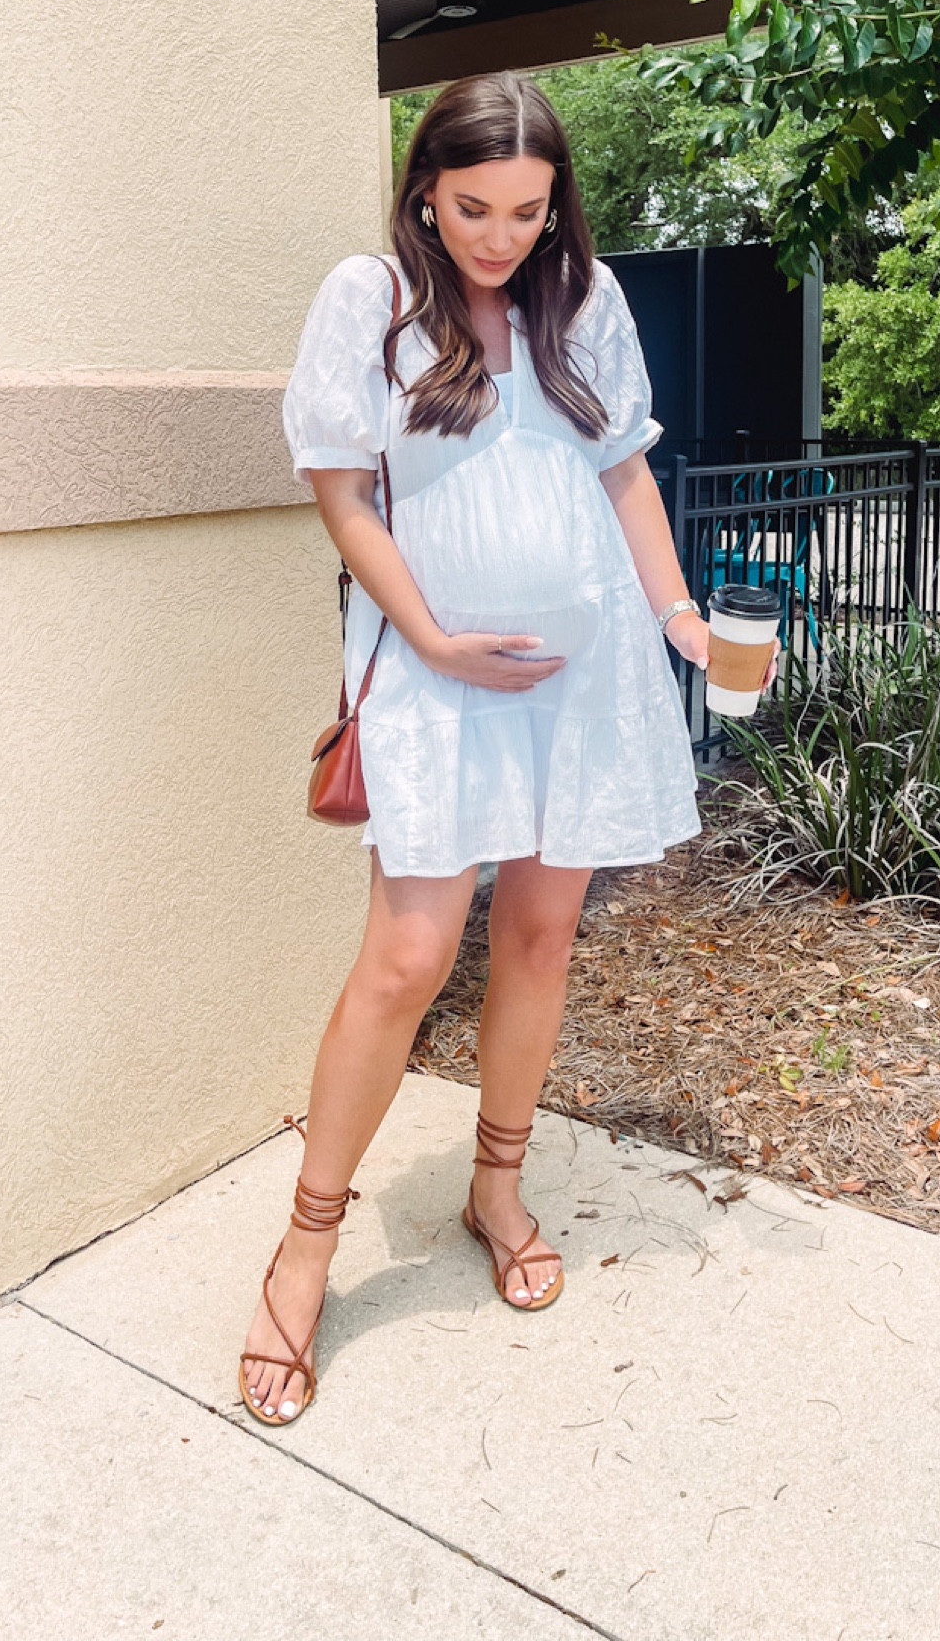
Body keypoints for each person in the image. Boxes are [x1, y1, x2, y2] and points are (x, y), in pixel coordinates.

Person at [239, 70, 718, 1426]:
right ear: (424, 193)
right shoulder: (370, 301)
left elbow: (623, 472)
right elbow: (344, 499)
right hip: (440, 679)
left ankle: (496, 1185)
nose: (501, 236)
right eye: (473, 208)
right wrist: (436, 643)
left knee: (543, 938)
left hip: (588, 675)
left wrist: (679, 615)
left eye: (528, 208)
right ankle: (310, 1241)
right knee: (404, 956)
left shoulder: (588, 300)